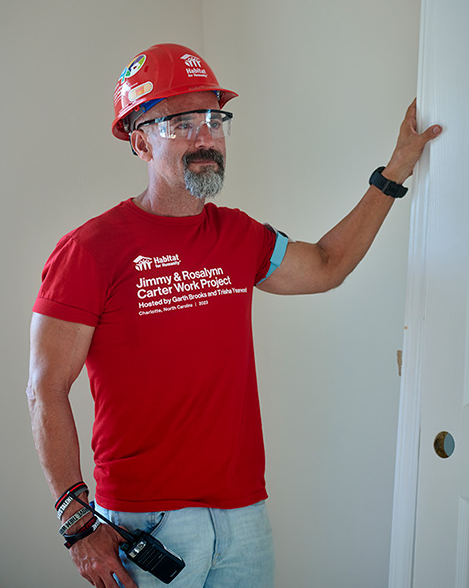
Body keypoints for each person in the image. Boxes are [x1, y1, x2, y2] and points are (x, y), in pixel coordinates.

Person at [27, 43, 441, 588]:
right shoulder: (91, 249)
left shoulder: (237, 235)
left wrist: (395, 172)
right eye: (181, 122)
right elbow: (46, 387)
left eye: (214, 119)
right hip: (143, 523)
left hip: (244, 518)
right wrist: (78, 523)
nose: (206, 137)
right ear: (140, 140)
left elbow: (325, 265)